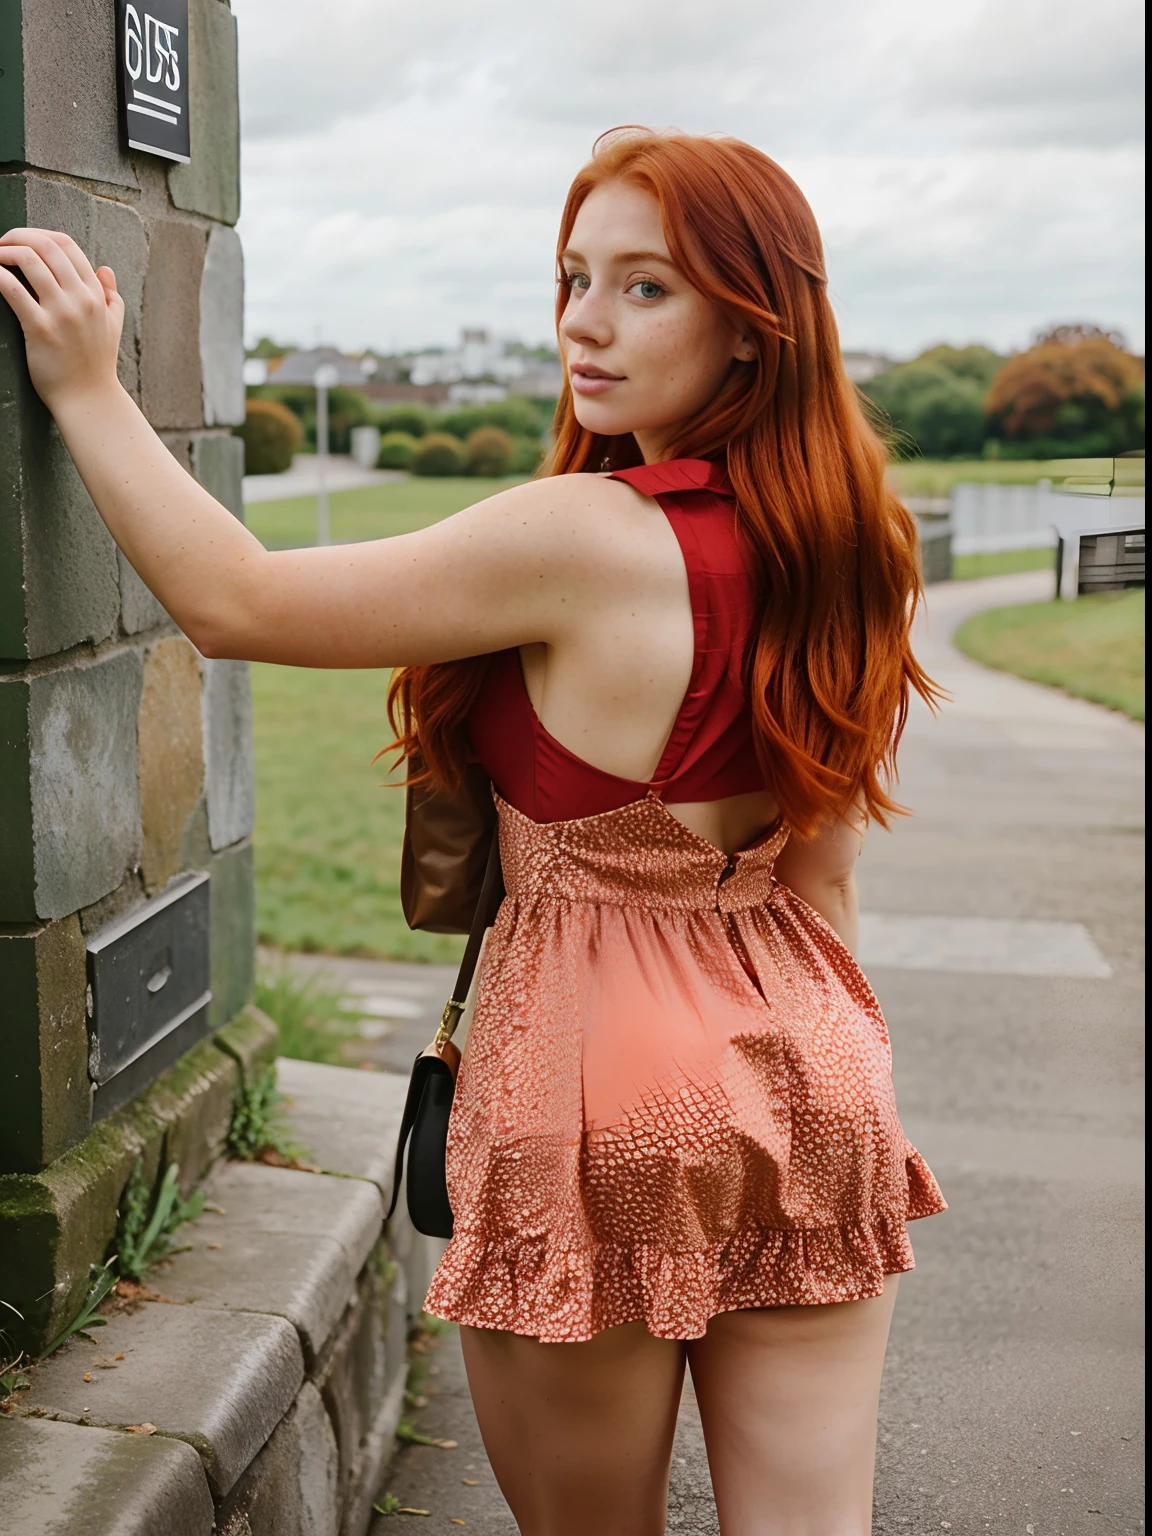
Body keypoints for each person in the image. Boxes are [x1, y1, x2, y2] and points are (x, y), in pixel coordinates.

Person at [1, 127, 945, 1536]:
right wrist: (837, 1081)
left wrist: (86, 388)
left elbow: (241, 602)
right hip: (812, 1067)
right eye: (576, 278)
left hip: (590, 1086)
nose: (584, 323)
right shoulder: (858, 545)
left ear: (755, 328)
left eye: (647, 288)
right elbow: (824, 884)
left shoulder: (585, 537)